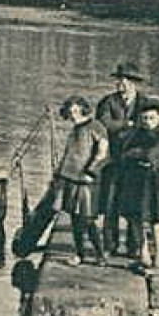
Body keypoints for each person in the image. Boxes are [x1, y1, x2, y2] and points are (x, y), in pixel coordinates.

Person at [96, 62, 147, 255]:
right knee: (110, 204)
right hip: (113, 161)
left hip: (135, 164)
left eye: (126, 80)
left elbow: (148, 127)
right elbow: (104, 123)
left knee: (134, 206)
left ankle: (135, 247)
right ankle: (110, 246)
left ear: (134, 83)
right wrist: (128, 124)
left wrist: (124, 129)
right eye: (120, 79)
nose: (122, 83)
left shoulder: (144, 103)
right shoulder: (107, 102)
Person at [52, 97, 109, 266]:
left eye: (76, 111)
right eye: (70, 112)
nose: (73, 115)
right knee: (75, 220)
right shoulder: (74, 130)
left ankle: (100, 255)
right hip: (70, 179)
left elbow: (103, 152)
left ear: (83, 110)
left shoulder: (96, 127)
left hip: (86, 181)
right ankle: (80, 254)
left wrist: (91, 171)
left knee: (88, 219)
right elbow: (69, 154)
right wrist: (59, 174)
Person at [117, 98, 159, 273]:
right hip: (135, 182)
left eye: (151, 118)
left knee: (155, 219)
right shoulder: (137, 133)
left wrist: (136, 153)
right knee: (135, 218)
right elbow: (123, 153)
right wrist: (135, 154)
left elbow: (151, 155)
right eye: (145, 118)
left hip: (153, 183)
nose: (148, 122)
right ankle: (144, 254)